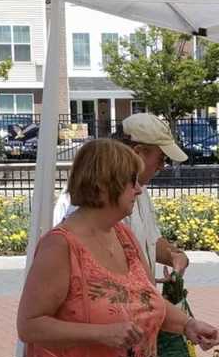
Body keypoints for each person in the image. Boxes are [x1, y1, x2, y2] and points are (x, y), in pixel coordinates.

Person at [16, 139, 219, 357]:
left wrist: (187, 325)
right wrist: (100, 333)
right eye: (131, 182)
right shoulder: (60, 246)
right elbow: (30, 325)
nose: (138, 189)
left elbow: (146, 299)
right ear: (102, 186)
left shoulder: (124, 237)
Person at [54, 113, 190, 283]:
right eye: (161, 159)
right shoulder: (82, 215)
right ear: (138, 153)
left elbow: (151, 241)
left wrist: (174, 256)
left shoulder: (139, 191)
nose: (162, 166)